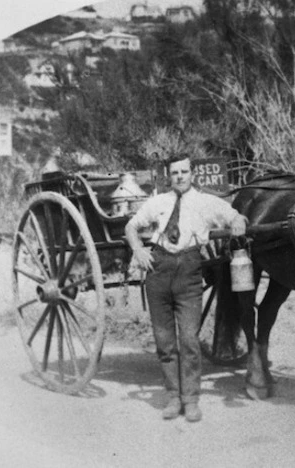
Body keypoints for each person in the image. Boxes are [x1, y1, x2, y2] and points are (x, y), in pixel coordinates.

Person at [125, 154, 247, 422]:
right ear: (169, 176)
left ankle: (191, 400)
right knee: (165, 341)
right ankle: (172, 398)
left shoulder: (205, 202)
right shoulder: (158, 201)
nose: (179, 177)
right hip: (158, 271)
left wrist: (238, 222)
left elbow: (234, 216)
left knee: (190, 340)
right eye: (175, 173)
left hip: (190, 272)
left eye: (184, 172)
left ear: (192, 173)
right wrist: (138, 250)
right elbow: (131, 226)